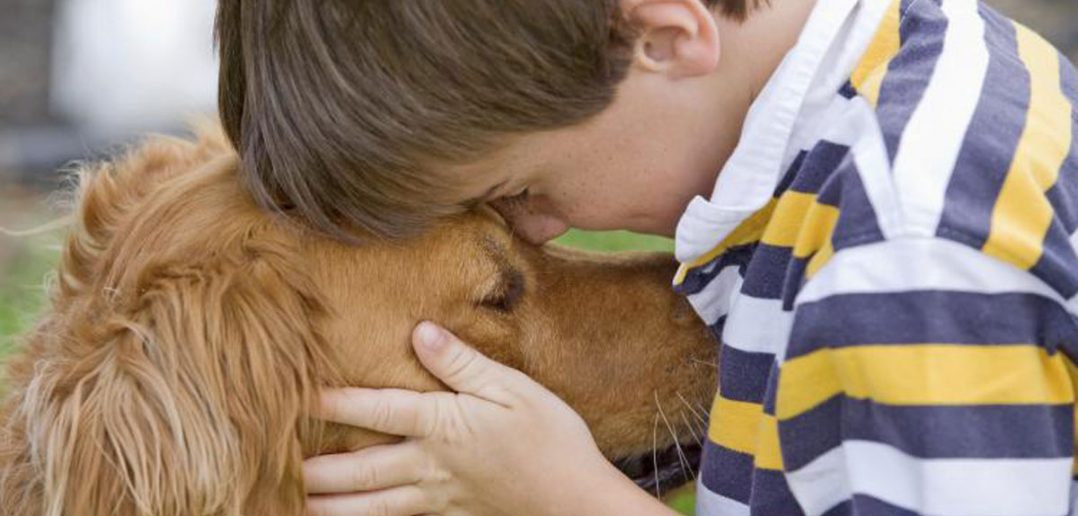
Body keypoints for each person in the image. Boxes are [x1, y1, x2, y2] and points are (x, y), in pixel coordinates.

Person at [214, 0, 1078, 514]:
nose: (544, 229)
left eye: (523, 189)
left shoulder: (902, 258)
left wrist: (566, 497)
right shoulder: (935, 59)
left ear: (662, 36)